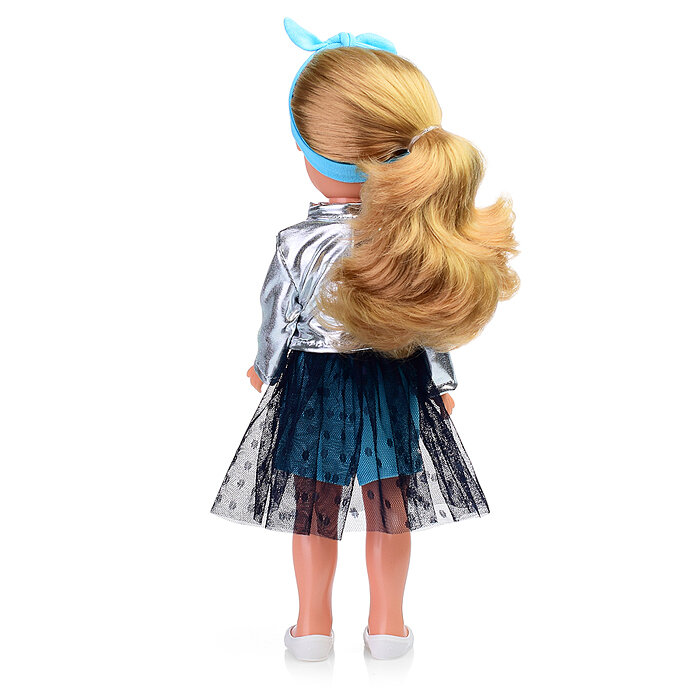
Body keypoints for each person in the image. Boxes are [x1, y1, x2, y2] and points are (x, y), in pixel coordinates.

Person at [211, 17, 519, 662]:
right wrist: (441, 379)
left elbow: (276, 315)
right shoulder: (411, 239)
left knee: (314, 506)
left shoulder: (296, 241)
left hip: (316, 381)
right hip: (392, 377)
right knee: (390, 504)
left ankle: (311, 630)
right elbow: (429, 317)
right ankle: (387, 628)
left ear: (312, 156)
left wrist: (266, 366)